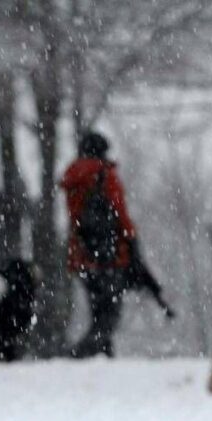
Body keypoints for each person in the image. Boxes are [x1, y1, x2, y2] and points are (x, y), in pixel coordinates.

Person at [60, 131, 137, 358]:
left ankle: (103, 357)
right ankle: (80, 355)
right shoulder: (105, 175)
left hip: (81, 253)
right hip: (109, 254)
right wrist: (131, 240)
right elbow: (120, 213)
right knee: (109, 314)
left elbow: (76, 217)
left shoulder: (73, 178)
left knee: (98, 310)